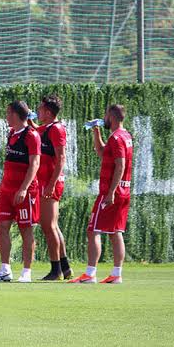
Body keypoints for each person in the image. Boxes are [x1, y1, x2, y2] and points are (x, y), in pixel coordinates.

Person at [70, 105, 133, 284]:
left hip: (111, 192)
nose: (104, 118)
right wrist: (96, 131)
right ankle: (116, 274)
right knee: (115, 232)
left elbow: (120, 165)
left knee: (93, 230)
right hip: (124, 190)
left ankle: (90, 274)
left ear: (111, 116)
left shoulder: (117, 138)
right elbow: (102, 152)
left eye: (106, 115)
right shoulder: (125, 136)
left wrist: (111, 192)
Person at [0, 101, 41, 283]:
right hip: (7, 190)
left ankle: (26, 272)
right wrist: (2, 183)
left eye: (8, 113)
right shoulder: (11, 133)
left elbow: (35, 164)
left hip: (25, 191)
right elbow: (9, 162)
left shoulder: (32, 135)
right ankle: (5, 269)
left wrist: (24, 188)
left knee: (25, 229)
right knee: (2, 226)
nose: (6, 116)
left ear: (15, 114)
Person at [31, 94, 72, 280]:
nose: (38, 111)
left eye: (40, 109)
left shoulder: (56, 129)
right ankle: (65, 267)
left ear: (48, 112)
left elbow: (61, 158)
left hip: (50, 183)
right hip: (46, 182)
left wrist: (51, 184)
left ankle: (56, 270)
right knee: (52, 226)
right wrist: (28, 120)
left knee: (49, 226)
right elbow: (37, 130)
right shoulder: (47, 128)